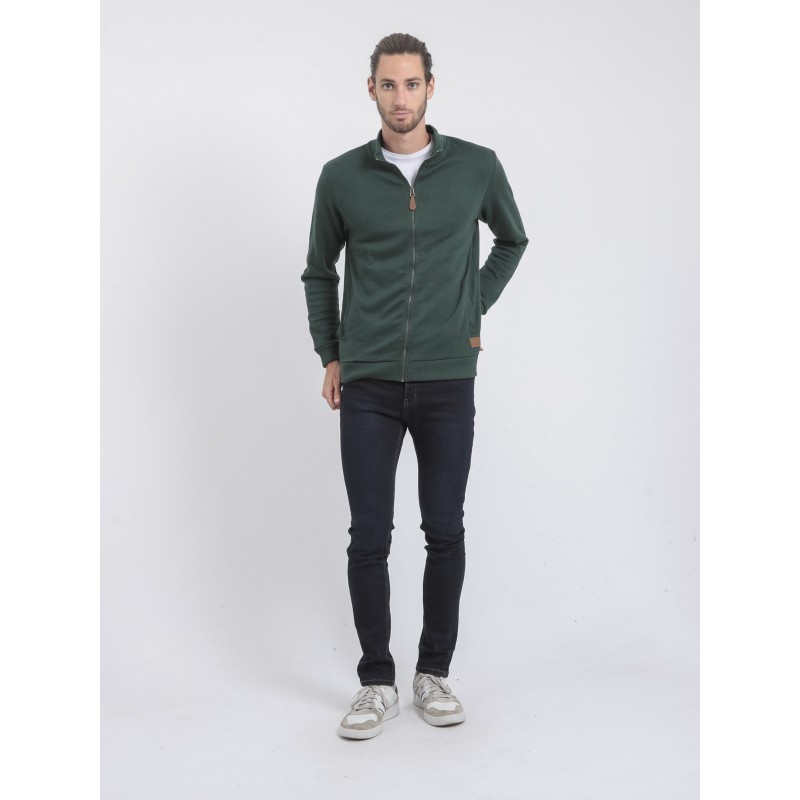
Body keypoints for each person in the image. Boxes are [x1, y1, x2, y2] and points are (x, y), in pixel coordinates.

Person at [301, 32, 528, 740]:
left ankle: (433, 673)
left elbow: (513, 240)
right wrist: (331, 354)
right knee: (369, 535)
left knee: (444, 529)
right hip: (367, 381)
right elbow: (318, 271)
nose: (400, 98)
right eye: (388, 84)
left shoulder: (476, 167)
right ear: (370, 89)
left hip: (447, 377)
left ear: (431, 87)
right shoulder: (341, 177)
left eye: (411, 84)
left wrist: (469, 305)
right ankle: (376, 681)